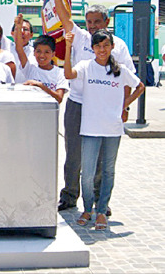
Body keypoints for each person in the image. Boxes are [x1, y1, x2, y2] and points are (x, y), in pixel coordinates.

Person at [51, 0, 136, 213]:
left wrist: (124, 107)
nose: (92, 25)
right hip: (77, 105)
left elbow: (128, 81)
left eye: (97, 21)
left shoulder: (118, 46)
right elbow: (64, 17)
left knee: (100, 158)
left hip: (103, 109)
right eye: (89, 21)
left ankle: (100, 201)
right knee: (74, 153)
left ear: (107, 22)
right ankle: (69, 196)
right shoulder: (78, 37)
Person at [64, 30, 144, 230]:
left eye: (105, 45)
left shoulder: (120, 69)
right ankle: (87, 209)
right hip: (90, 128)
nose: (102, 49)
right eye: (98, 46)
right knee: (88, 173)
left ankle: (101, 210)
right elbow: (68, 74)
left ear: (112, 47)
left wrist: (124, 105)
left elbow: (139, 86)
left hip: (113, 129)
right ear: (92, 48)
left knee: (108, 171)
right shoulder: (86, 66)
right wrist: (67, 47)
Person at [14, 14, 69, 103]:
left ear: (53, 54)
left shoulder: (60, 73)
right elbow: (19, 49)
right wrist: (18, 27)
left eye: (46, 52)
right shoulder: (30, 68)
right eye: (38, 51)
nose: (42, 56)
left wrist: (40, 86)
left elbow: (59, 98)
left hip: (50, 114)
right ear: (34, 52)